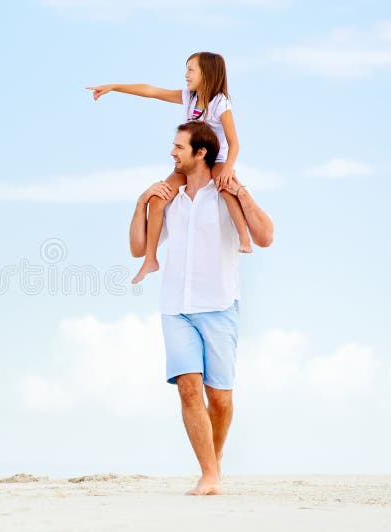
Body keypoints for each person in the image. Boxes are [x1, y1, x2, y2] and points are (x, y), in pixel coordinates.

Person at [129, 121, 273, 495]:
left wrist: (243, 192)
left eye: (179, 147)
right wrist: (141, 202)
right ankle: (209, 475)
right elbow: (137, 247)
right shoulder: (168, 197)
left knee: (220, 397)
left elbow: (266, 236)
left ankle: (214, 462)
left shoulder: (225, 193)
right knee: (189, 389)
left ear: (201, 153)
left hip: (219, 305)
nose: (172, 153)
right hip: (175, 307)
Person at [87, 51, 252, 285]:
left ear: (207, 73)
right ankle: (150, 258)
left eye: (191, 70)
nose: (186, 75)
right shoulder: (189, 97)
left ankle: (244, 238)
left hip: (215, 160)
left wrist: (228, 169)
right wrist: (114, 87)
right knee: (158, 199)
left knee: (225, 188)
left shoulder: (220, 103)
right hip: (188, 162)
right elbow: (151, 91)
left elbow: (235, 142)